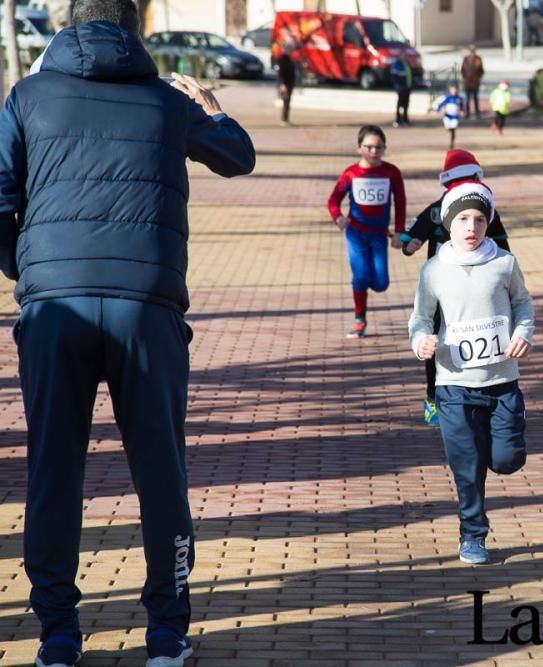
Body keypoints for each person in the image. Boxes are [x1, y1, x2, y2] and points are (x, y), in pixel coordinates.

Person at [0, 1, 256, 665]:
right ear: (134, 27)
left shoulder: (27, 96)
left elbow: (0, 198)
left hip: (55, 308)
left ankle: (57, 637)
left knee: (55, 471)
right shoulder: (167, 101)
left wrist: (30, 270)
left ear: (66, 25)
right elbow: (238, 157)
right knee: (159, 469)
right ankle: (166, 632)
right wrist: (212, 106)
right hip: (148, 303)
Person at [408, 181, 534, 565]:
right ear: (449, 223)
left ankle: (500, 454)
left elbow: (523, 303)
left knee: (507, 459)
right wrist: (420, 343)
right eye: (462, 219)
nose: (471, 227)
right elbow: (420, 318)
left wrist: (522, 333)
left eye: (479, 219)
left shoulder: (504, 263)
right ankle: (472, 535)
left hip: (501, 382)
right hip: (453, 385)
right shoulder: (434, 270)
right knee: (467, 464)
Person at [400, 150, 511, 425]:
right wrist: (409, 244)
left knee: (476, 336)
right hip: (442, 291)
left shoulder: (486, 213)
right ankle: (432, 399)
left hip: (477, 291)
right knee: (435, 342)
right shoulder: (437, 211)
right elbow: (412, 235)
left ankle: (484, 394)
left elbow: (505, 250)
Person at [328, 125, 406, 338]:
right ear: (359, 148)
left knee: (381, 283)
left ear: (384, 148)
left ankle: (364, 283)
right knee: (360, 276)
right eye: (369, 147)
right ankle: (359, 318)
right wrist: (338, 217)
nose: (374, 151)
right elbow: (333, 200)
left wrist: (399, 231)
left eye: (378, 147)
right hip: (356, 234)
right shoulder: (351, 173)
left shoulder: (391, 172)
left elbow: (400, 202)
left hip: (379, 235)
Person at [436, 84, 465, 150]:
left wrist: (462, 111)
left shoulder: (459, 98)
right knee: (448, 127)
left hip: (455, 117)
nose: (454, 91)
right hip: (447, 116)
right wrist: (438, 110)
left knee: (453, 128)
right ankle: (449, 131)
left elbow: (462, 106)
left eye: (455, 90)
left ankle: (452, 142)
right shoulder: (448, 98)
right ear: (450, 90)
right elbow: (441, 104)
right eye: (453, 90)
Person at [460, 45, 484, 120]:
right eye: (471, 50)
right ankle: (467, 113)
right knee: (467, 98)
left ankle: (477, 112)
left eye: (473, 50)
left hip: (475, 82)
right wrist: (465, 78)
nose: (472, 52)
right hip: (467, 82)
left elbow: (481, 70)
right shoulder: (466, 58)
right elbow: (462, 70)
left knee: (475, 98)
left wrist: (478, 78)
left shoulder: (478, 58)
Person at [276, 44, 297, 126]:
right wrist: (282, 84)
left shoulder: (288, 58)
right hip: (285, 84)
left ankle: (286, 119)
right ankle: (284, 120)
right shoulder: (283, 59)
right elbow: (281, 73)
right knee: (285, 101)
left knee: (287, 102)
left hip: (288, 83)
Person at [390, 56, 413, 128]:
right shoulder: (397, 65)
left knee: (406, 104)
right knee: (400, 104)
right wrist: (398, 86)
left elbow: (410, 76)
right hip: (401, 88)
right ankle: (398, 120)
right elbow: (394, 76)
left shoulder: (407, 64)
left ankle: (405, 119)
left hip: (407, 88)